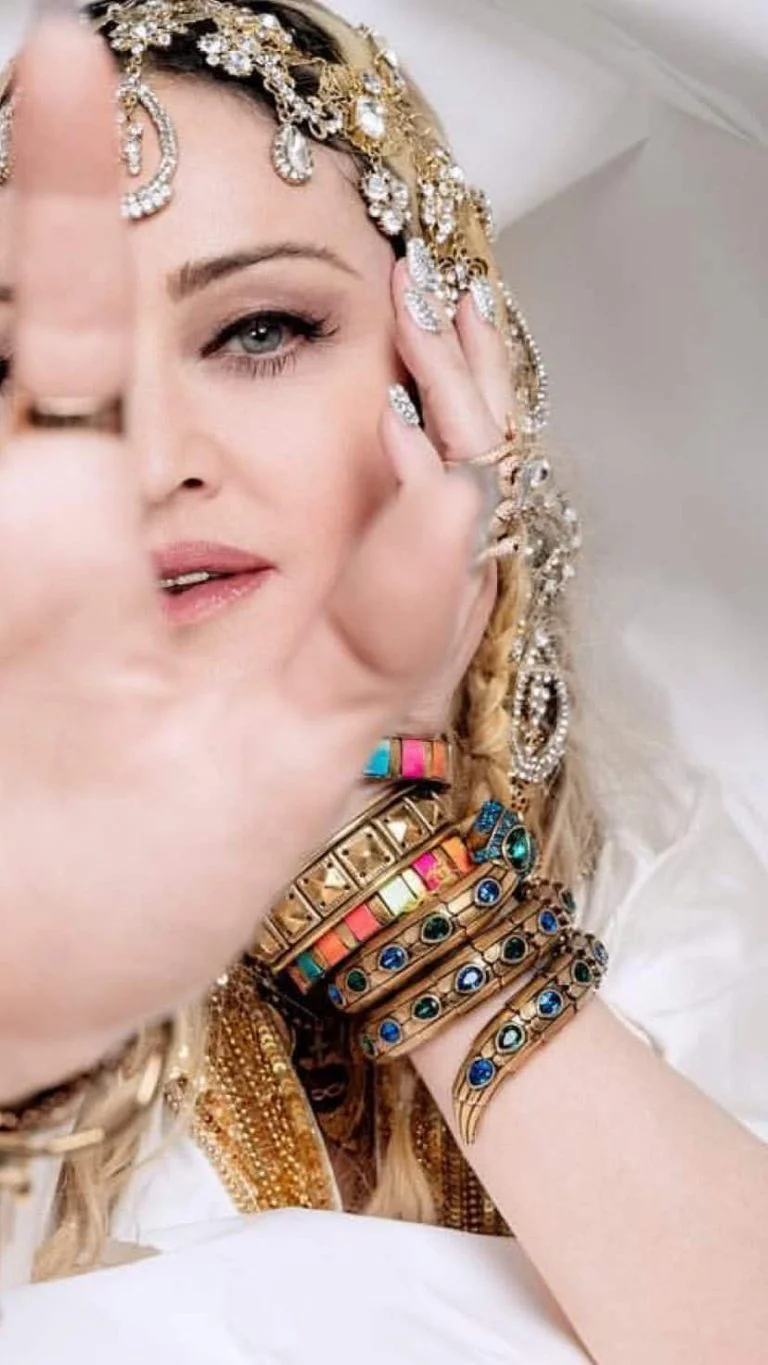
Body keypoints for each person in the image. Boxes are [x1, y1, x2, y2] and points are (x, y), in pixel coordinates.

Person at [0, 2, 766, 1361]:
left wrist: (380, 843)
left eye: (260, 330)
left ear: (453, 366)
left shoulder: (675, 880)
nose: (152, 458)